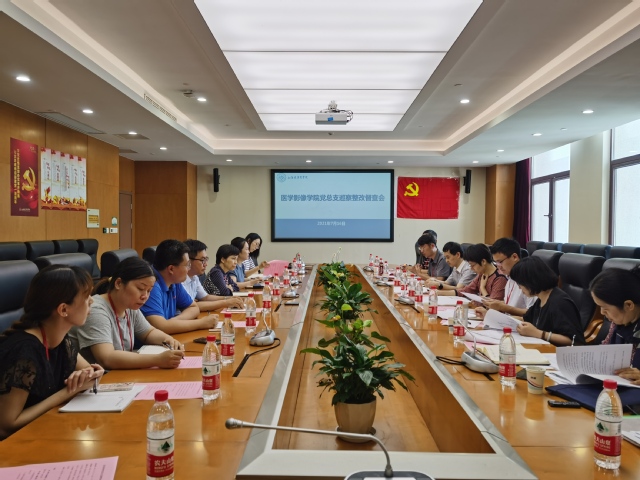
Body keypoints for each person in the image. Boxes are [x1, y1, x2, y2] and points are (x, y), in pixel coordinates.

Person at [0, 265, 104, 439]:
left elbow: (87, 373)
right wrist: (68, 392)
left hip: (46, 433)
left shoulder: (60, 339)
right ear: (63, 309)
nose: (91, 301)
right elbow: (6, 426)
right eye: (86, 297)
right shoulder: (24, 352)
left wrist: (93, 374)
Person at [71, 257, 185, 370]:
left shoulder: (129, 306)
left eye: (149, 291)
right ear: (118, 283)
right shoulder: (96, 310)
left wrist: (169, 340)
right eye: (140, 288)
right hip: (98, 378)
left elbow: (148, 333)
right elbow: (107, 358)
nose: (145, 296)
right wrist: (158, 360)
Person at [140, 239, 218, 334]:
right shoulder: (151, 285)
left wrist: (174, 322)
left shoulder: (174, 281)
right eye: (187, 265)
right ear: (171, 269)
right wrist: (201, 323)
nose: (189, 269)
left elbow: (193, 307)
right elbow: (161, 327)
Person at [510, 256, 585, 346]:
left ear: (531, 281)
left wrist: (539, 334)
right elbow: (527, 318)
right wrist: (503, 319)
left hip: (557, 352)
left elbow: (574, 341)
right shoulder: (541, 298)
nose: (519, 287)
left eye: (520, 283)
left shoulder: (560, 303)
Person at [590, 266, 640, 384]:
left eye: (605, 308)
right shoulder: (619, 323)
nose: (602, 312)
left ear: (628, 305)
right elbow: (606, 351)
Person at [476, 238, 537, 319]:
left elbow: (533, 314)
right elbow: (509, 304)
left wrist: (503, 307)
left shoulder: (528, 279)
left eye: (500, 262)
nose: (498, 266)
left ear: (514, 257)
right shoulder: (509, 277)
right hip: (507, 322)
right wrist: (494, 304)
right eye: (496, 262)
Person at [183, 239, 244, 311]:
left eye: (206, 259)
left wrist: (229, 298)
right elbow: (191, 306)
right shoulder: (180, 280)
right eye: (202, 260)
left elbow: (206, 297)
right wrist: (226, 302)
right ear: (188, 261)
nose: (206, 264)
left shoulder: (195, 277)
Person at [438, 243, 507, 299]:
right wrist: (439, 293)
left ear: (483, 261)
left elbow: (493, 306)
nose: (471, 268)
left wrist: (482, 288)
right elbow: (465, 290)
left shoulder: (499, 278)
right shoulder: (482, 274)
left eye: (472, 265)